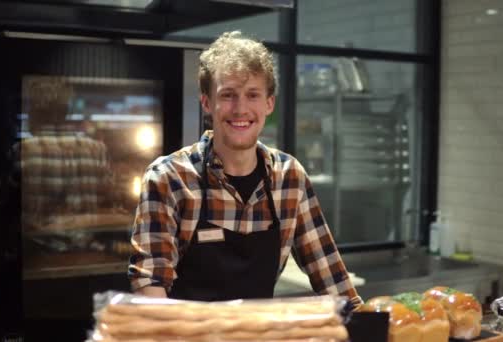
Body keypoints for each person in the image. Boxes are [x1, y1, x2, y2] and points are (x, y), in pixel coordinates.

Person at [128, 31, 362, 309]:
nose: (240, 109)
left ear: (269, 103)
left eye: (252, 95)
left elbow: (331, 278)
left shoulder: (289, 177)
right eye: (228, 95)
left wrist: (366, 326)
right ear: (206, 103)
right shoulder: (169, 178)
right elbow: (150, 286)